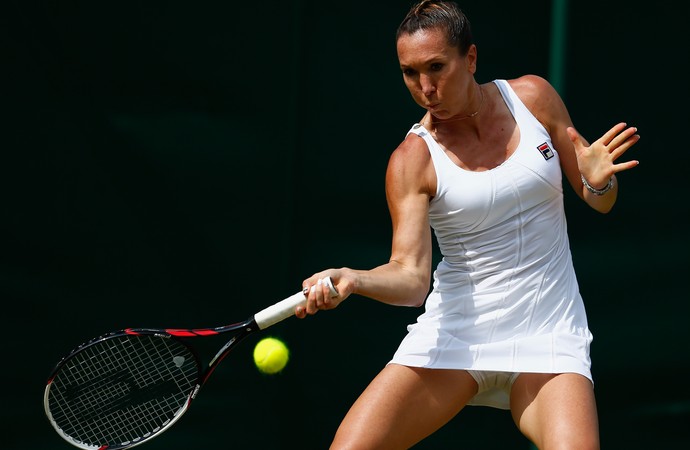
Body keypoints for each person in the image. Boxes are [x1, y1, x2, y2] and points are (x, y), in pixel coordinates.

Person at [296, 1, 640, 448]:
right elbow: (411, 276)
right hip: (455, 336)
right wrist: (354, 279)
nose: (425, 88)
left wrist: (598, 185)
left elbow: (601, 203)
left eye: (436, 67)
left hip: (549, 333)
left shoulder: (533, 98)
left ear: (470, 59)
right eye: (409, 73)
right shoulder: (411, 160)